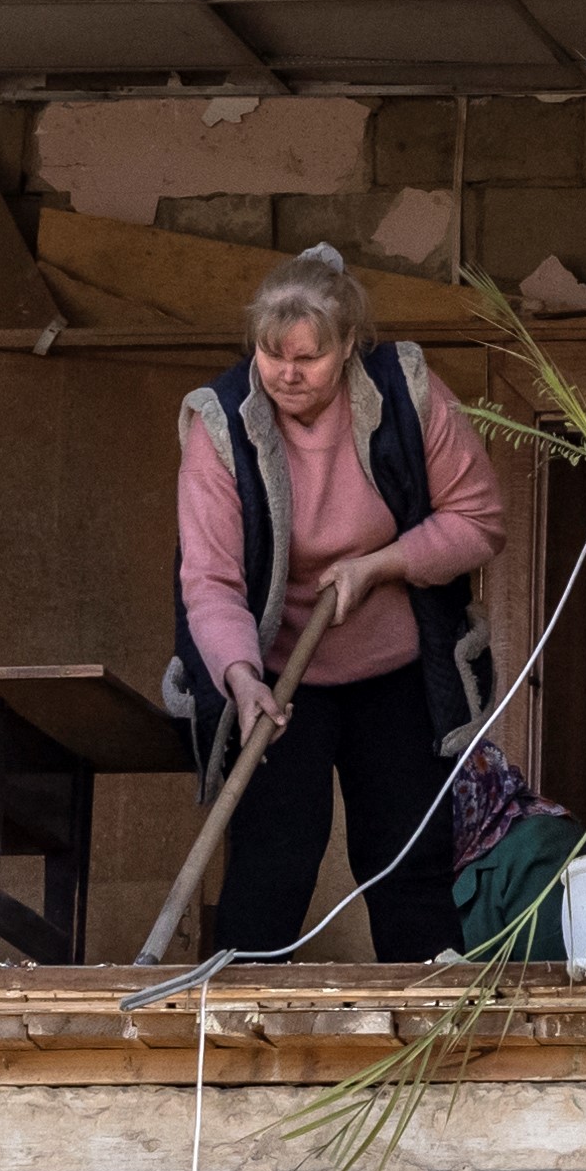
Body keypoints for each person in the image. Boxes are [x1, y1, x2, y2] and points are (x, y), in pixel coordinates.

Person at [174, 250, 500, 961]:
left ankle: (426, 1026)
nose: (287, 373)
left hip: (398, 668)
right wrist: (239, 676)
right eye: (271, 353)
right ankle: (232, 1031)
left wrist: (380, 565)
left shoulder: (405, 393)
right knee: (273, 856)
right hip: (275, 675)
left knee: (405, 853)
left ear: (349, 345)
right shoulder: (219, 425)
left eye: (309, 357)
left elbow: (478, 521)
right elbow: (210, 581)